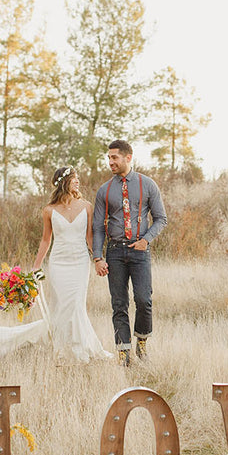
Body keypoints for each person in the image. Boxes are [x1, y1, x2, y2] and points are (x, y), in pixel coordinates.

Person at [0, 167, 112, 364]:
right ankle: (63, 349)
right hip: (58, 264)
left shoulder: (87, 206)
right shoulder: (49, 211)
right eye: (74, 179)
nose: (78, 182)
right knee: (62, 307)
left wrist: (99, 258)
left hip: (80, 263)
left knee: (76, 306)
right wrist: (36, 266)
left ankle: (79, 348)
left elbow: (90, 237)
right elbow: (45, 241)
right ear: (64, 182)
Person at [92, 140, 168, 366]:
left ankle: (142, 341)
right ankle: (123, 353)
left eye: (114, 157)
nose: (110, 162)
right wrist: (97, 257)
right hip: (114, 252)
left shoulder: (148, 184)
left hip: (140, 251)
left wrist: (146, 240)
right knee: (119, 304)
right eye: (108, 158)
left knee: (144, 300)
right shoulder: (104, 190)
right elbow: (97, 226)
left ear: (128, 157)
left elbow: (161, 219)